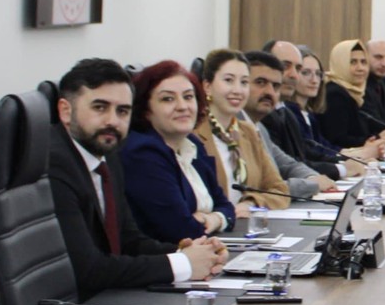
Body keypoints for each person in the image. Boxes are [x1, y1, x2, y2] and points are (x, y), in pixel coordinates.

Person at [46, 57, 225, 296]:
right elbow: (89, 270)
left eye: (122, 111)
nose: (113, 121)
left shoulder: (108, 154)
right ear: (65, 111)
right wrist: (182, 264)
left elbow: (129, 240)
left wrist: (192, 252)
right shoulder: (53, 165)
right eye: (100, 107)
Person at [120, 60, 235, 242]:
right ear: (146, 110)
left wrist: (214, 219)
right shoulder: (142, 153)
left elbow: (226, 206)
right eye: (168, 99)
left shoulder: (192, 144)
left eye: (188, 97)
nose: (182, 106)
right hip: (165, 255)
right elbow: (181, 230)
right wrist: (211, 220)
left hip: (203, 249)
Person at [197, 48, 317, 208]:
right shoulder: (193, 133)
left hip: (246, 222)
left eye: (244, 82)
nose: (237, 90)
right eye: (228, 80)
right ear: (207, 86)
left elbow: (279, 189)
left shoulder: (247, 131)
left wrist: (252, 202)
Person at [244, 50, 343, 189]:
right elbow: (261, 188)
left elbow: (288, 164)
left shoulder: (260, 127)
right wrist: (312, 184)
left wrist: (312, 177)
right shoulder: (237, 128)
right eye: (260, 82)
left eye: (275, 86)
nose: (269, 92)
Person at [322, 38, 385, 148]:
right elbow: (338, 140)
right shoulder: (335, 94)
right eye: (353, 62)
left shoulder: (355, 92)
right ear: (340, 63)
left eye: (363, 62)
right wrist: (379, 138)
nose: (360, 68)